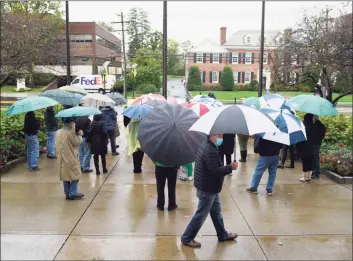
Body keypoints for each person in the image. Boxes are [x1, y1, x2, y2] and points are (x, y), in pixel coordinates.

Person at [181, 134, 238, 248]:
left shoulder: (207, 144)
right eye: (219, 135)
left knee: (216, 212)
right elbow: (215, 171)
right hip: (207, 187)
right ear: (212, 135)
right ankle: (187, 237)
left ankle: (222, 234)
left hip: (209, 186)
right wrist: (231, 167)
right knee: (201, 214)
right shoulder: (209, 150)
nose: (221, 137)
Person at [56, 117, 84, 200]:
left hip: (61, 157)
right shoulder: (70, 132)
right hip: (70, 156)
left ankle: (67, 193)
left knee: (65, 175)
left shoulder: (58, 132)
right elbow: (77, 143)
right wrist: (79, 135)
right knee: (76, 174)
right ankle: (73, 193)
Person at [296, 113, 315, 183]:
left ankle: (304, 177)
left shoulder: (304, 128)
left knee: (305, 162)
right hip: (312, 148)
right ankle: (309, 178)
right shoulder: (314, 127)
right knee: (310, 162)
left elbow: (300, 139)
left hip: (304, 148)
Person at [311, 115, 326, 179]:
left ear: (315, 117)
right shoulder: (322, 126)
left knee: (315, 159)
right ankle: (315, 172)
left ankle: (316, 173)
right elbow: (322, 136)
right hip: (318, 143)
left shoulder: (315, 126)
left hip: (314, 144)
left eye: (314, 117)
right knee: (315, 158)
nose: (313, 118)